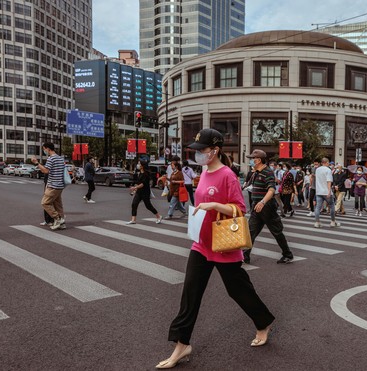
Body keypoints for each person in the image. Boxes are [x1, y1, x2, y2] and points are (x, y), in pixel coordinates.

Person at [157, 129, 274, 369]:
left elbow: (239, 209)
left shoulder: (227, 175)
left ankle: (263, 322)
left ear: (215, 150)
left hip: (224, 245)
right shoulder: (203, 172)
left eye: (202, 150)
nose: (198, 154)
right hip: (201, 244)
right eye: (197, 150)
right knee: (190, 294)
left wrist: (213, 204)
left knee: (238, 290)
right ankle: (182, 345)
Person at [243, 149, 294, 265]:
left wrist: (262, 202)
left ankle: (287, 254)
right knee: (250, 231)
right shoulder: (255, 172)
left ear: (259, 160)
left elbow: (271, 189)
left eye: (252, 159)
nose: (251, 161)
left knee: (276, 231)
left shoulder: (268, 172)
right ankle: (244, 256)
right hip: (256, 206)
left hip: (266, 206)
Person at [31, 142, 66, 231]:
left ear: (48, 149)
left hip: (53, 185)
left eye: (44, 149)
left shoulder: (51, 159)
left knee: (45, 203)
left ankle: (58, 219)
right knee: (58, 205)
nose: (44, 151)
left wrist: (36, 163)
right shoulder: (60, 158)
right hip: (60, 186)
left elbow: (46, 171)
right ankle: (62, 224)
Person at [126, 160, 162, 225]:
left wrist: (135, 188)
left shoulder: (146, 174)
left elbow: (143, 184)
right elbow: (138, 183)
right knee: (134, 204)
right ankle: (133, 220)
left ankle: (158, 216)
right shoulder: (139, 173)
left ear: (142, 166)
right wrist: (134, 190)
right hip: (139, 191)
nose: (138, 165)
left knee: (148, 206)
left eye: (139, 164)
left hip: (145, 192)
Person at [314, 157, 341, 228]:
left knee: (318, 207)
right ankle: (332, 221)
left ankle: (317, 222)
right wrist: (329, 191)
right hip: (326, 191)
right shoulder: (328, 170)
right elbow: (329, 181)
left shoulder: (317, 170)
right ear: (326, 162)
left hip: (319, 191)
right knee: (332, 206)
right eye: (328, 163)